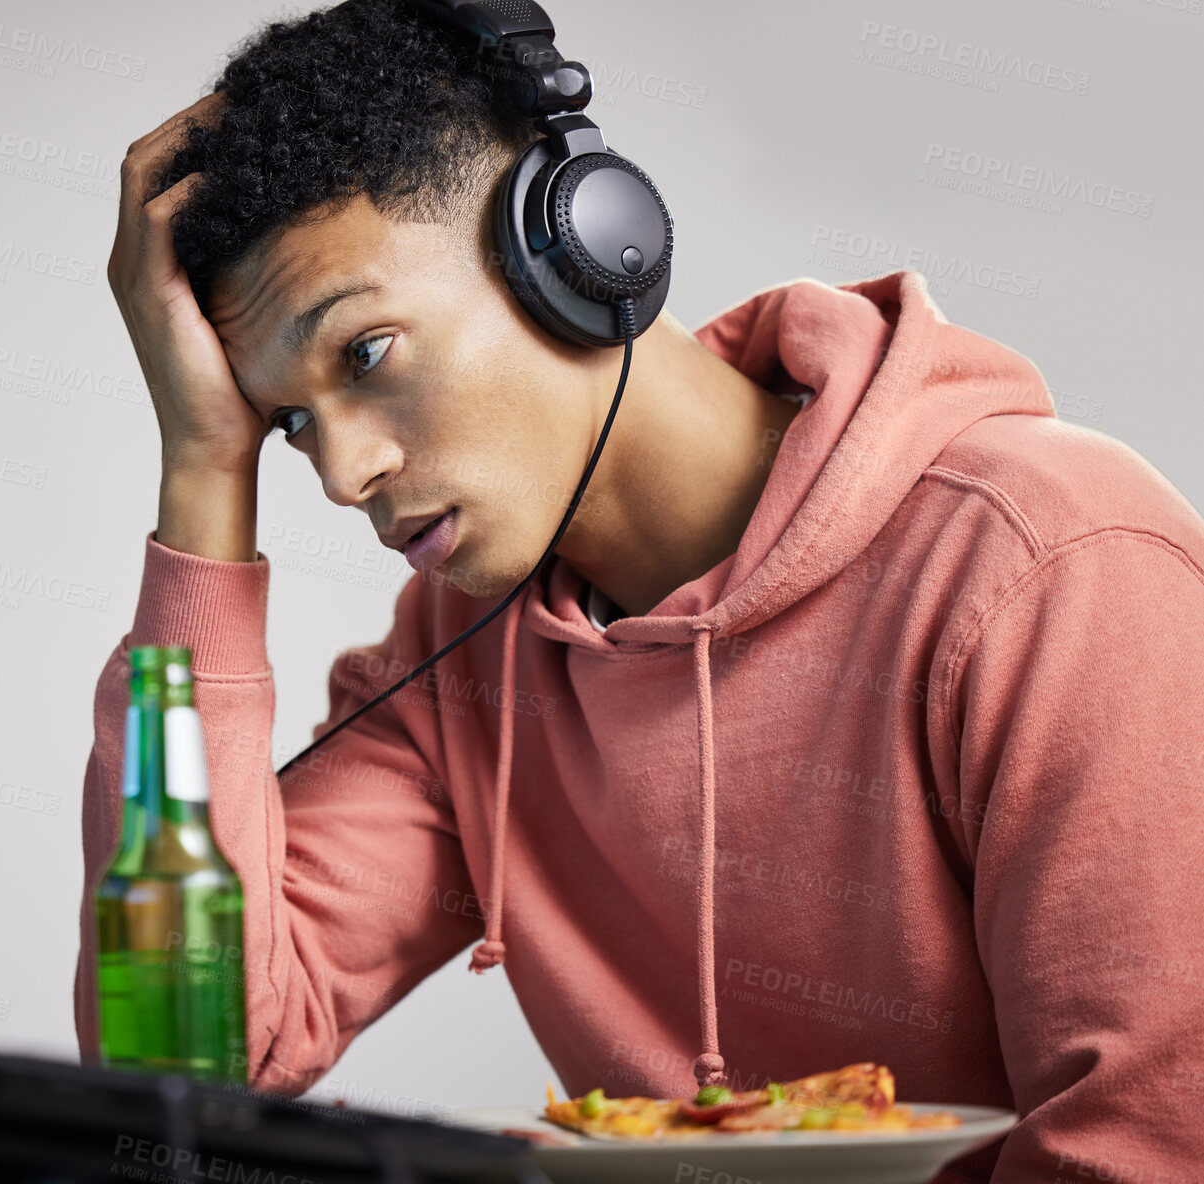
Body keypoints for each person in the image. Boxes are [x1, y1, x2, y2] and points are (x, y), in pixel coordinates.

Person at [77, 1, 1204, 1178]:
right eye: (293, 422)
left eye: (365, 353)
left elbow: (1153, 1147)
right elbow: (192, 1065)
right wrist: (205, 467)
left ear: (576, 250)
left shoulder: (1056, 566)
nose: (341, 472)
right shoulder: (464, 654)